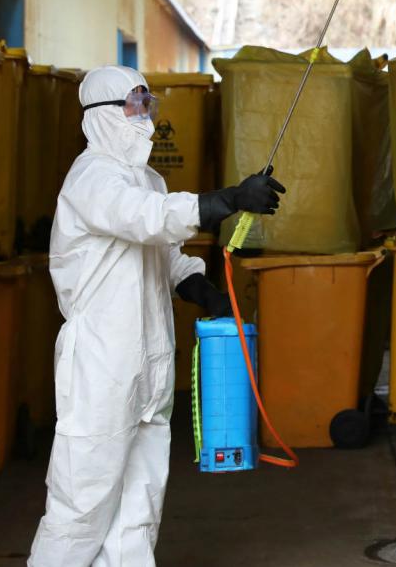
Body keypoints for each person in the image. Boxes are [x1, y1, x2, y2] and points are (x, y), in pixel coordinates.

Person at [29, 65, 285, 566]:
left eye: (147, 101)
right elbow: (146, 218)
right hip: (102, 364)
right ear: (103, 113)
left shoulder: (147, 178)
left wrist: (200, 288)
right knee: (82, 503)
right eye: (134, 103)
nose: (144, 113)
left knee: (139, 502)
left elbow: (162, 249)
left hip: (149, 363)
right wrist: (228, 199)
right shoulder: (92, 177)